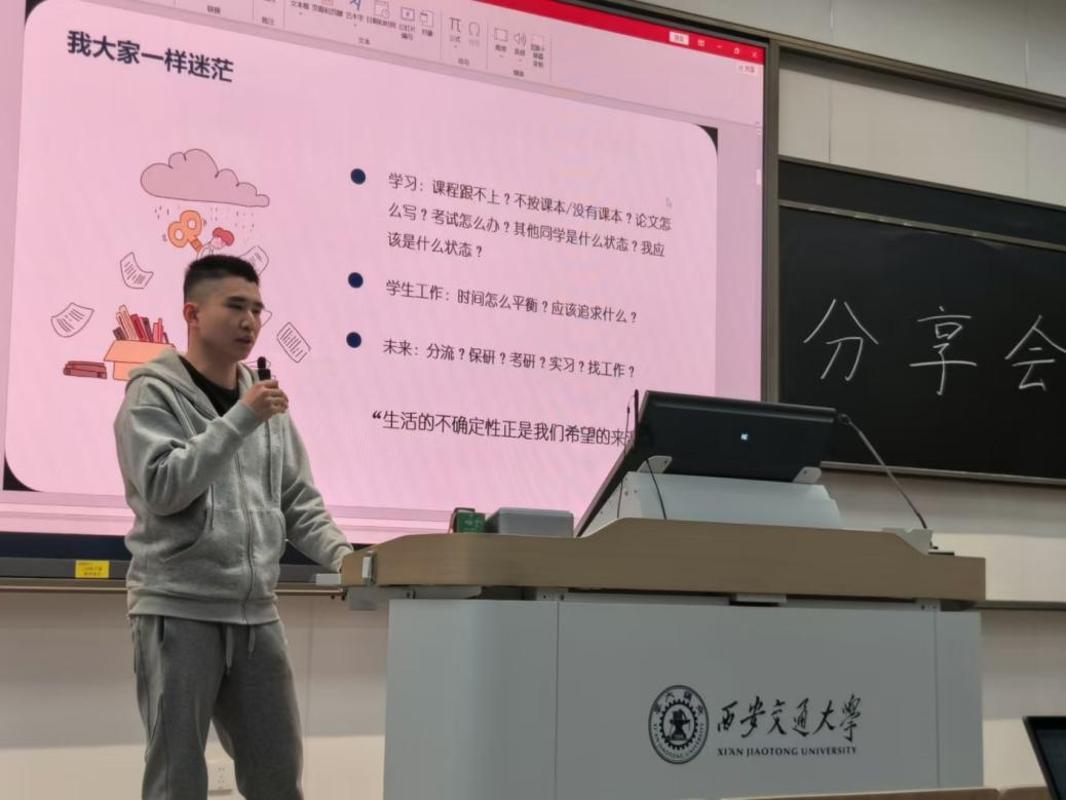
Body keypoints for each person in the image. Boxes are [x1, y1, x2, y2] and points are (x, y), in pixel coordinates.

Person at [114, 254, 353, 799]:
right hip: (177, 608)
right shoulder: (153, 393)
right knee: (177, 780)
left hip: (256, 615)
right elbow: (164, 487)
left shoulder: (263, 400)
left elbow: (297, 500)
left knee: (278, 777)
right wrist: (241, 417)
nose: (250, 321)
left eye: (258, 310)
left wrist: (346, 558)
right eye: (236, 306)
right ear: (192, 313)